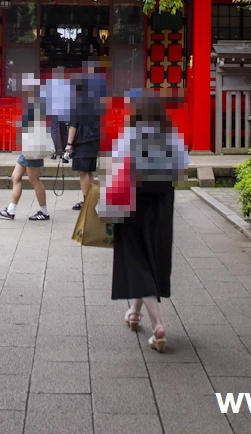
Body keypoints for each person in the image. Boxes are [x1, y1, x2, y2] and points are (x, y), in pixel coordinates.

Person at [99, 91, 188, 353]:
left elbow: (115, 167)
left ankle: (157, 324)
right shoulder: (171, 135)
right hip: (161, 202)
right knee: (153, 254)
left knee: (135, 258)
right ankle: (134, 313)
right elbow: (181, 169)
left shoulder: (129, 135)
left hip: (132, 200)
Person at [0, 78, 49, 221]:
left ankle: (44, 211)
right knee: (16, 176)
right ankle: (11, 210)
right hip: (28, 147)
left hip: (31, 148)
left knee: (34, 180)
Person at [66, 74, 102, 211]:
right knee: (89, 172)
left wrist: (69, 144)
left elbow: (73, 125)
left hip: (82, 141)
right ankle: (93, 200)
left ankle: (88, 202)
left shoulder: (78, 103)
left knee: (82, 172)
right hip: (93, 140)